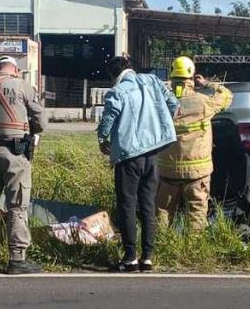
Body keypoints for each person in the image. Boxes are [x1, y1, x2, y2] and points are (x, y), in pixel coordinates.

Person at [97, 56, 178, 272]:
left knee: (127, 205)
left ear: (114, 74)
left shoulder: (118, 91)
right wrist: (161, 126)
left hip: (128, 155)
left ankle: (130, 256)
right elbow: (173, 104)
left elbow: (108, 118)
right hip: (153, 153)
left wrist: (102, 139)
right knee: (148, 204)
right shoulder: (152, 81)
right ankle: (148, 257)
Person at [0, 55, 46, 275]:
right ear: (14, 70)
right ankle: (16, 259)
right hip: (16, 154)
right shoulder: (22, 86)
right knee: (17, 207)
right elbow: (40, 121)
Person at [156, 56, 233, 231]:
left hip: (168, 170)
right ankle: (194, 249)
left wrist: (168, 87)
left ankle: (161, 246)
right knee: (197, 213)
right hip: (197, 172)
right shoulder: (203, 102)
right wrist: (207, 83)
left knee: (163, 211)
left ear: (172, 74)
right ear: (191, 76)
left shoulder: (161, 103)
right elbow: (227, 96)